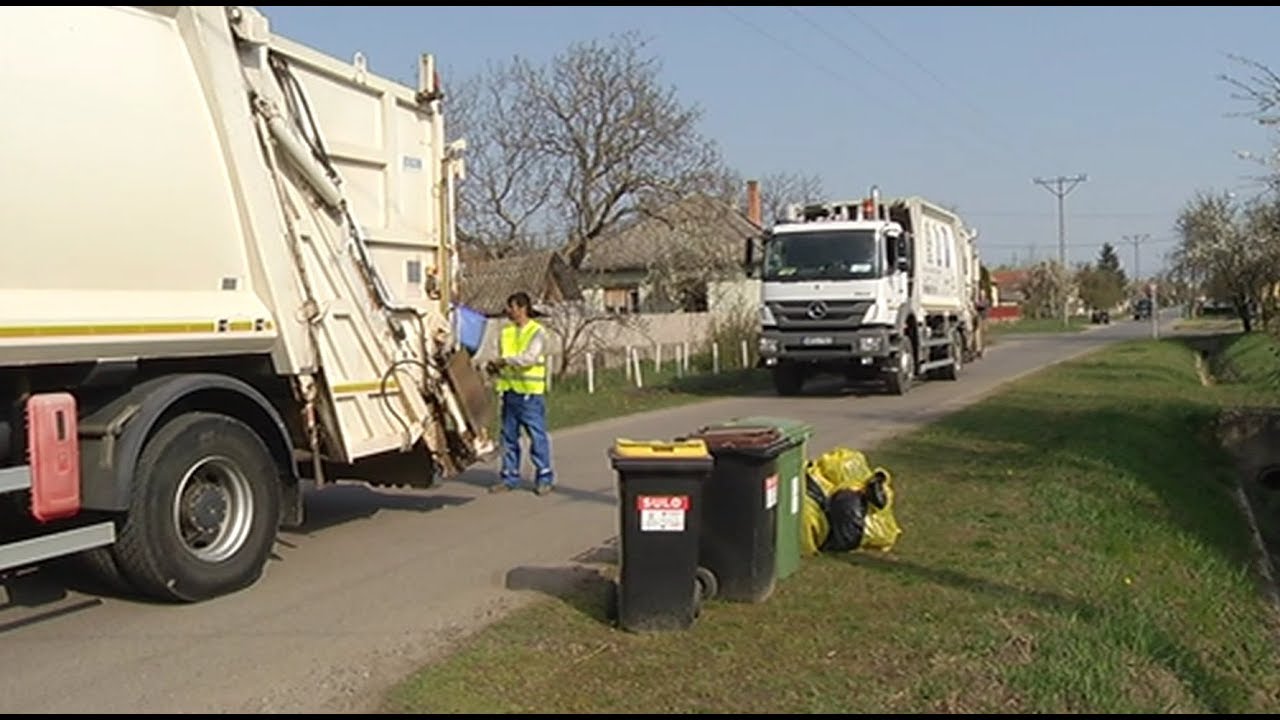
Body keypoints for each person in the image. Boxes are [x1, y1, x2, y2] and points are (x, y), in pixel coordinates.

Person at [485, 291, 555, 496]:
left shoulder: (537, 332)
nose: (509, 311)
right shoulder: (506, 332)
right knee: (508, 437)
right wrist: (495, 368)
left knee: (536, 436)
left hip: (530, 394)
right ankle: (509, 476)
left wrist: (506, 361)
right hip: (510, 392)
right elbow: (500, 355)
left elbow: (530, 358)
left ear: (522, 308)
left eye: (512, 307)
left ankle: (544, 476)